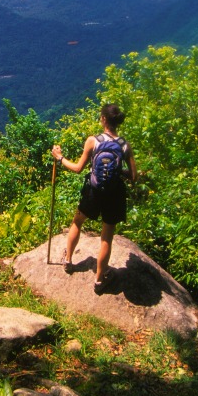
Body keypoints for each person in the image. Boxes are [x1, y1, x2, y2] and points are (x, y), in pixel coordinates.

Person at [51, 103, 137, 294]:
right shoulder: (124, 145)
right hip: (114, 195)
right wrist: (117, 170)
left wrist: (59, 158)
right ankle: (99, 280)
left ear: (104, 119)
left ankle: (68, 260)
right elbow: (133, 176)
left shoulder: (93, 141)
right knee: (106, 237)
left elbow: (78, 168)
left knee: (77, 221)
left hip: (93, 191)